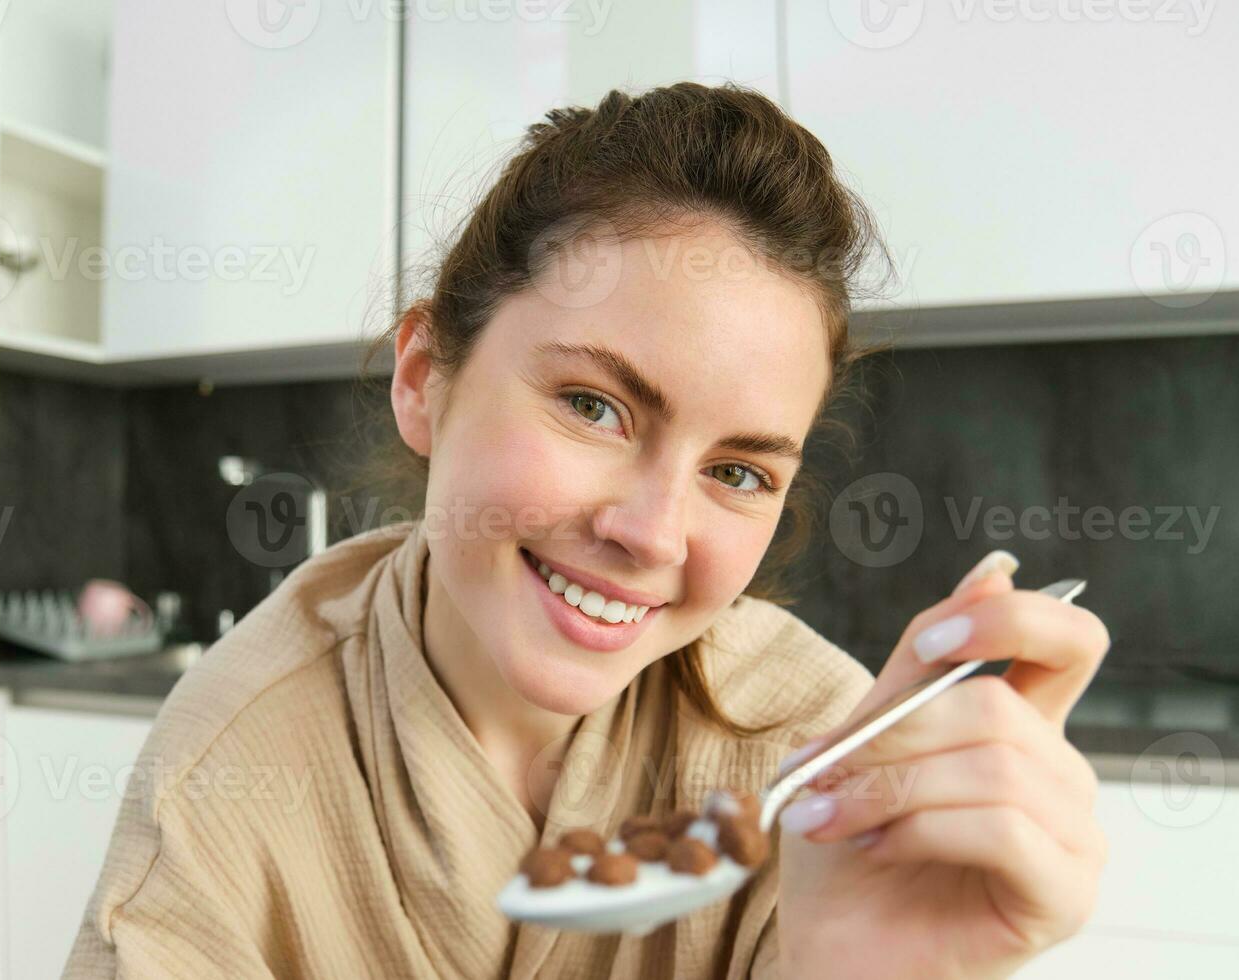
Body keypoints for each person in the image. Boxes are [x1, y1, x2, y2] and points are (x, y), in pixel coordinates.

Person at [63, 81, 1111, 979]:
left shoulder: (822, 767)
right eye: (591, 405)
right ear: (425, 376)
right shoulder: (229, 773)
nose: (651, 532)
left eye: (736, 471)